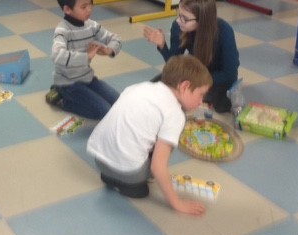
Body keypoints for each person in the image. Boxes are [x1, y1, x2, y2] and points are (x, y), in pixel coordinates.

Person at [87, 55, 212, 215]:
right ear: (185, 86)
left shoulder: (140, 86)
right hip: (127, 171)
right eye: (201, 94)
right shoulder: (175, 114)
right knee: (143, 188)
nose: (201, 101)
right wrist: (178, 204)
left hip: (99, 160)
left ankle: (112, 177)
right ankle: (126, 182)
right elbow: (158, 167)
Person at [143, 0, 239, 113]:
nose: (179, 20)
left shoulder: (224, 31)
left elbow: (230, 74)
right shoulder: (178, 26)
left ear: (202, 20)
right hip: (193, 75)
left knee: (212, 104)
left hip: (217, 79)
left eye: (185, 18)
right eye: (178, 14)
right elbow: (174, 64)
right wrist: (162, 45)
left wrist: (198, 82)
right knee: (154, 87)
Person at [47, 0, 122, 120]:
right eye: (83, 7)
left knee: (119, 103)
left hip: (88, 78)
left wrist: (110, 50)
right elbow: (57, 55)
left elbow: (115, 38)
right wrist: (86, 56)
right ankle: (61, 100)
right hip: (68, 83)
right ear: (67, 10)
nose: (89, 9)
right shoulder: (62, 30)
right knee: (105, 111)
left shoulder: (91, 25)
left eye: (90, 4)